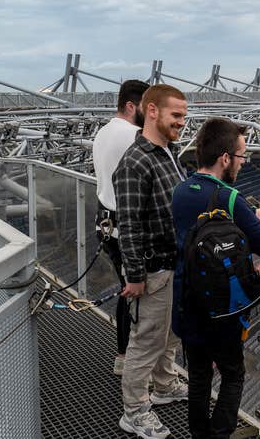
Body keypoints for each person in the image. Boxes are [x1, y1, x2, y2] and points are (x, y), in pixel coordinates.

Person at [171, 117, 260, 439]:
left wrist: (249, 216)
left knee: (199, 377)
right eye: (241, 156)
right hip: (221, 312)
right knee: (233, 375)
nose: (242, 163)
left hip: (186, 304)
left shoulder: (180, 191)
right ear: (225, 159)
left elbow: (199, 226)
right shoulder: (230, 198)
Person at [113, 84, 190, 439]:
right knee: (145, 342)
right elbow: (128, 223)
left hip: (172, 265)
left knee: (169, 336)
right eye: (176, 115)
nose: (182, 123)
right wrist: (135, 275)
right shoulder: (136, 160)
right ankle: (134, 411)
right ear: (153, 111)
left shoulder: (167, 153)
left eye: (184, 117)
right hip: (154, 269)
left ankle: (163, 385)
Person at [92, 79, 149, 376]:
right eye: (146, 107)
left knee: (128, 292)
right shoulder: (135, 136)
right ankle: (132, 365)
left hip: (108, 226)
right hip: (129, 230)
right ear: (131, 105)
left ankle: (124, 356)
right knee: (139, 297)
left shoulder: (102, 133)